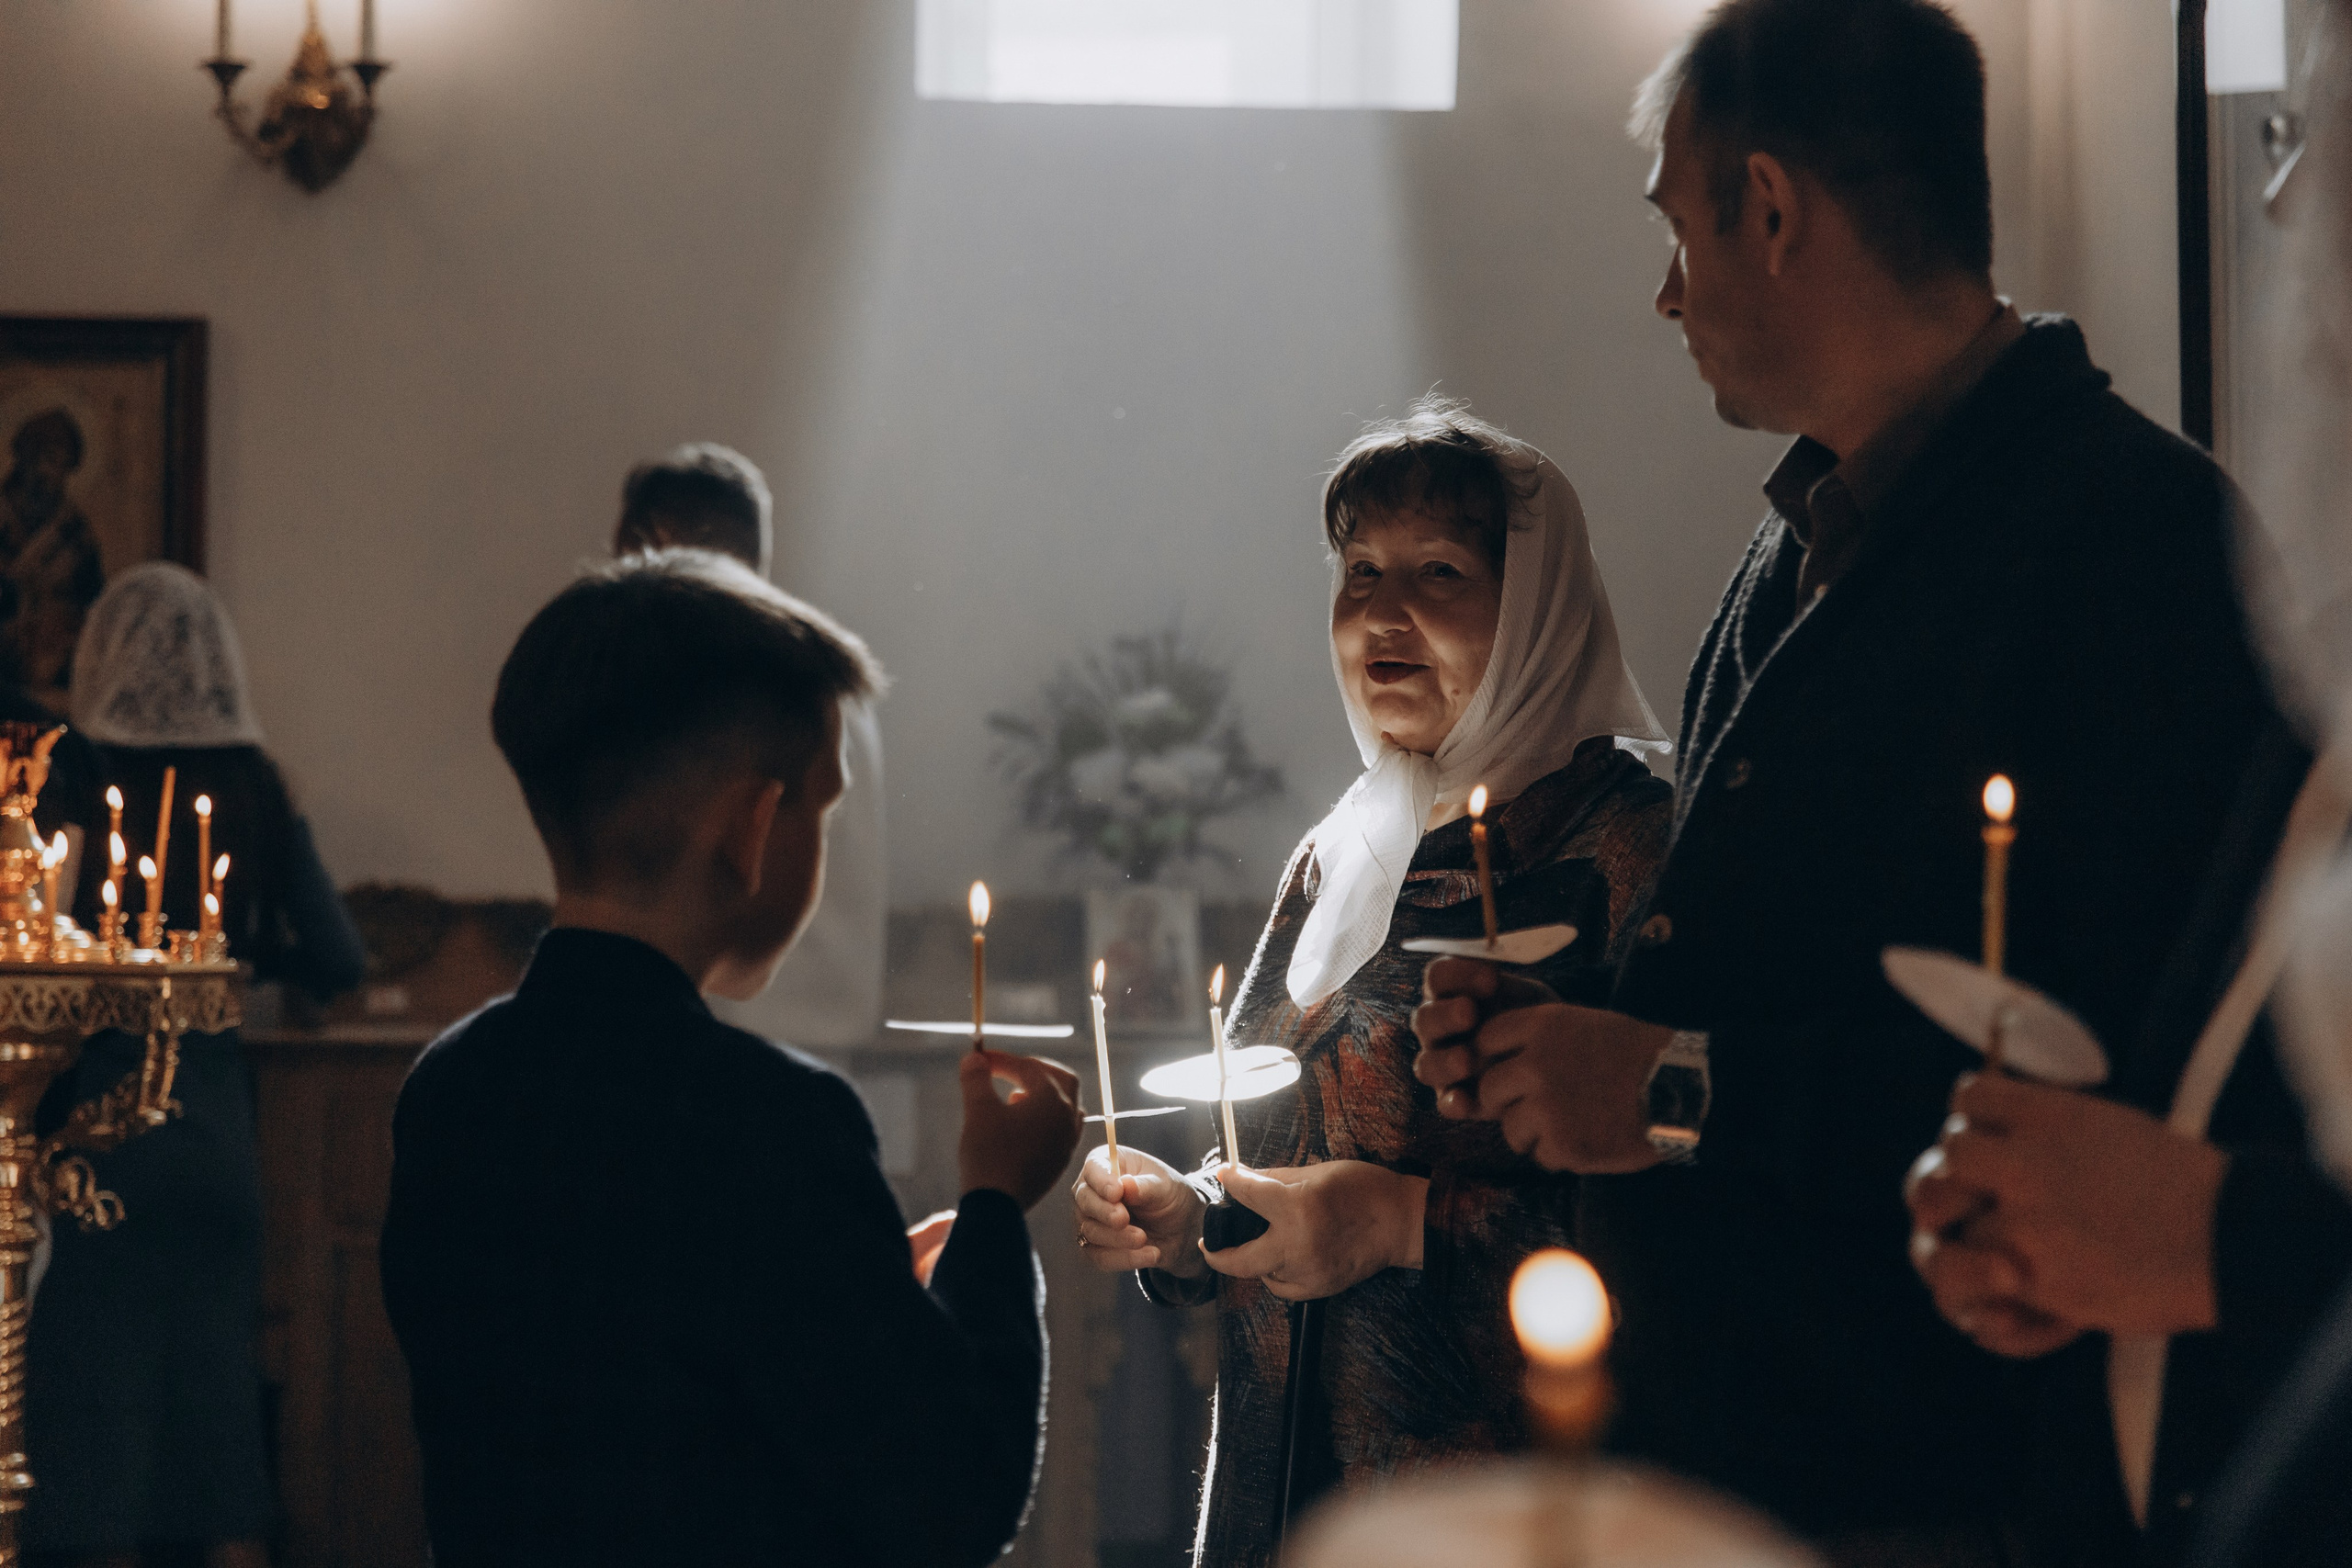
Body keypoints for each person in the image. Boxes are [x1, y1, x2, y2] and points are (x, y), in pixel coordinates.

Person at [1410, 2, 2283, 1560]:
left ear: (1771, 206)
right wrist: (1570, 1029)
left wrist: (1666, 1091)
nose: (1666, 293)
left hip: (1944, 1495)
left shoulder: (2137, 544)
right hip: (1736, 1463)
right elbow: (1795, 964)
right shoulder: (1801, 530)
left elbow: (2105, 1093)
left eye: (1681, 231)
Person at [379, 548, 1082, 1566]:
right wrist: (991, 1210)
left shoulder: (450, 1087)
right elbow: (950, 1496)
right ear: (753, 827)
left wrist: (864, 1285)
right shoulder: (767, 1120)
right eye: (821, 808)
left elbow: (626, 1370)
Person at [1072, 400, 1672, 1568]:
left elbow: (1689, 1203)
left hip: (1513, 1489)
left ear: (1537, 608)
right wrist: (1189, 1215)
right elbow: (1262, 1124)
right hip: (1288, 1481)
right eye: (1360, 572)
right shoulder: (1342, 847)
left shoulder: (1625, 852)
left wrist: (1400, 1226)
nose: (1381, 614)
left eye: (1438, 571)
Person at [26, 562, 367, 1568]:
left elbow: (40, 952)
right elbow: (341, 959)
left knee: (97, 1439)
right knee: (220, 1431)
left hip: (103, 1133)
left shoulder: (79, 772)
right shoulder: (257, 784)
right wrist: (249, 964)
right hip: (219, 1131)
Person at [613, 442, 886, 1049]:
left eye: (622, 556)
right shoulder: (821, 660)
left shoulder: (732, 677)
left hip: (737, 1033)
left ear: (652, 540)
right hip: (827, 1028)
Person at [0, 406, 106, 712]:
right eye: (44, 459)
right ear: (23, 458)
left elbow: (93, 604)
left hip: (52, 675)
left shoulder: (75, 534)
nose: (50, 473)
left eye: (61, 464)